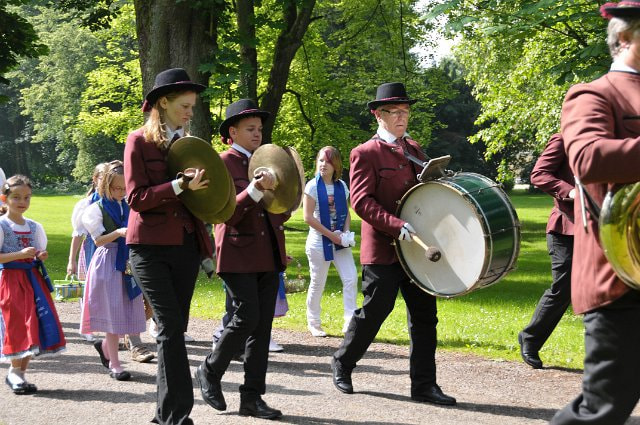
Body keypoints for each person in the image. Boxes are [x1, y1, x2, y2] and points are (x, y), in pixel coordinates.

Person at [330, 82, 456, 406]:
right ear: (378, 114)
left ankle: (424, 385)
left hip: (418, 249)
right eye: (395, 111)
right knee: (375, 311)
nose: (402, 117)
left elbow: (424, 190)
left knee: (425, 316)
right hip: (384, 250)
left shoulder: (414, 148)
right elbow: (361, 202)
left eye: (405, 111)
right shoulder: (365, 153)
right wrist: (396, 226)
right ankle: (343, 362)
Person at [551, 2, 640, 423]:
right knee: (603, 410)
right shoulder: (594, 93)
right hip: (623, 277)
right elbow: (587, 158)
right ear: (624, 38)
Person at [124, 68, 213, 425]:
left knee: (173, 331)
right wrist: (179, 185)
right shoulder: (138, 141)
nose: (190, 112)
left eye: (192, 106)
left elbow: (201, 201)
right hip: (148, 249)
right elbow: (136, 198)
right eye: (184, 106)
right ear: (163, 102)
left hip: (185, 247)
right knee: (171, 326)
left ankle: (165, 415)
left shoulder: (189, 146)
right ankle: (178, 415)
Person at [195, 98, 287, 420]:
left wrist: (284, 195)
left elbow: (279, 210)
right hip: (236, 252)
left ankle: (252, 398)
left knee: (262, 328)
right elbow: (227, 214)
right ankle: (209, 369)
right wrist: (256, 189)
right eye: (250, 129)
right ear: (232, 132)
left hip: (268, 253)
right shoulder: (222, 163)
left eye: (259, 128)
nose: (257, 133)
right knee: (247, 316)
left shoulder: (270, 161)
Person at [80, 161, 147, 381]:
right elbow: (98, 240)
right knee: (112, 313)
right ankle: (115, 364)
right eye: (117, 188)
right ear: (105, 186)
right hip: (108, 261)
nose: (121, 192)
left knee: (126, 309)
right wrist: (118, 232)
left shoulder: (128, 205)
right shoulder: (95, 209)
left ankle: (106, 349)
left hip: (127, 261)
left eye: (124, 188)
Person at [0, 174, 66, 394]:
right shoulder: (2, 225)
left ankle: (20, 373)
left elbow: (38, 252)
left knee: (33, 322)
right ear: (5, 198)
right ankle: (13, 371)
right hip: (10, 280)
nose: (22, 202)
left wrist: (40, 255)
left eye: (27, 197)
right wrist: (19, 254)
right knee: (16, 323)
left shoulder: (34, 226)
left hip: (32, 280)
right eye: (16, 197)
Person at [518, 133, 574, 369]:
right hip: (566, 228)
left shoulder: (610, 140)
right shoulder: (563, 139)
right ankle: (530, 338)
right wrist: (571, 191)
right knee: (564, 287)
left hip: (602, 228)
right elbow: (539, 174)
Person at [303, 146, 357, 337]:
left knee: (351, 278)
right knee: (318, 283)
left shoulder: (341, 186)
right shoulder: (312, 186)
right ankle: (314, 323)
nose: (323, 164)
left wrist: (345, 233)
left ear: (336, 165)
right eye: (320, 160)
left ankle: (350, 322)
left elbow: (346, 213)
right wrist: (331, 235)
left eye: (328, 161)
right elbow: (308, 217)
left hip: (340, 242)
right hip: (319, 243)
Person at [68, 162, 107, 343]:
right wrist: (72, 260)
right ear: (95, 179)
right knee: (89, 288)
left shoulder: (118, 202)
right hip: (92, 248)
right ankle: (87, 327)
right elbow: (78, 234)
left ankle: (110, 327)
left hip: (111, 249)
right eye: (102, 178)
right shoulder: (86, 204)